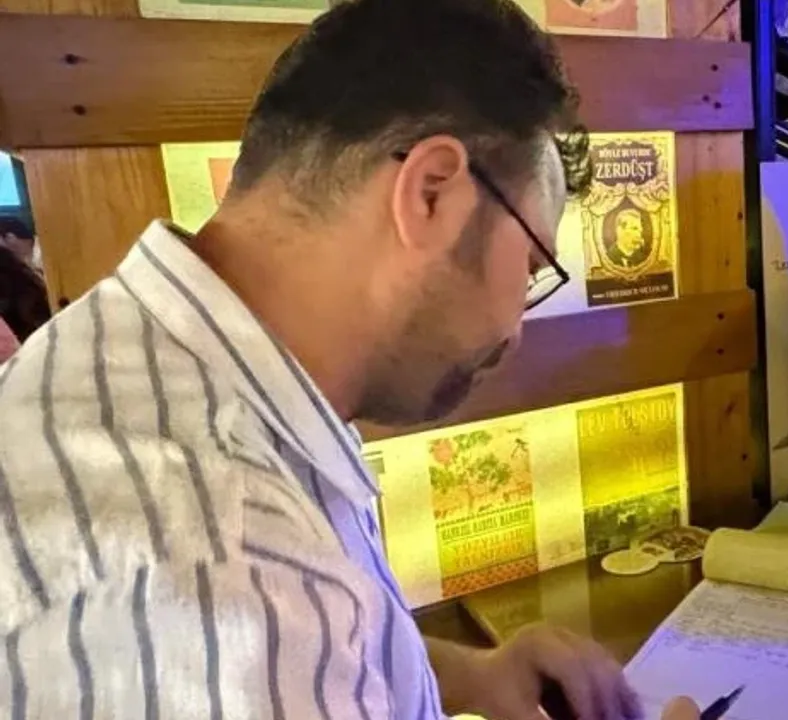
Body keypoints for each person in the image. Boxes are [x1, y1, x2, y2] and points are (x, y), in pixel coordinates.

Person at [0, 0, 697, 718]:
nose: (513, 329)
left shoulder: (149, 367)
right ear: (430, 193)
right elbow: (262, 628)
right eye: (528, 267)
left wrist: (467, 675)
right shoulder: (229, 565)